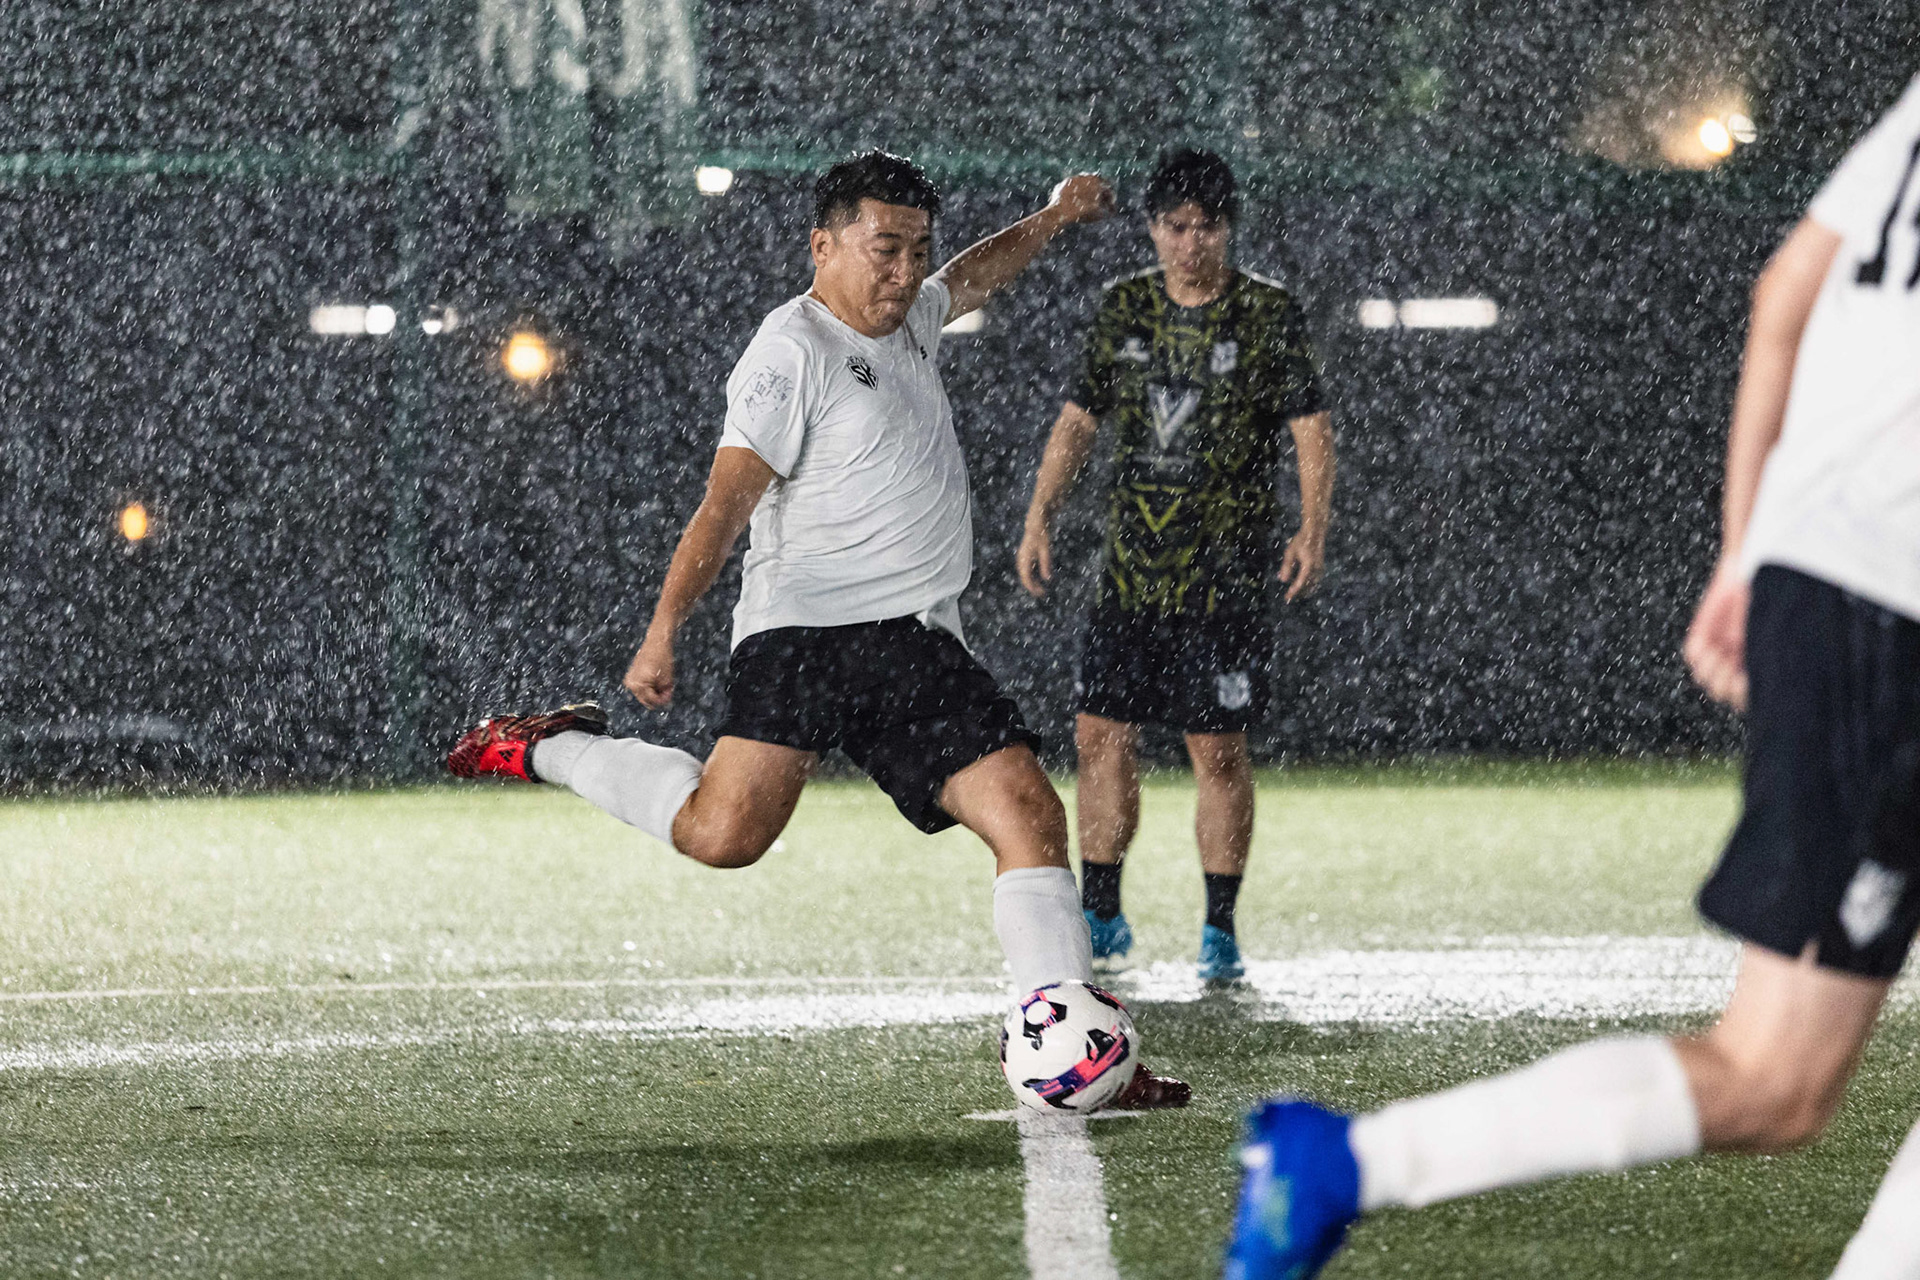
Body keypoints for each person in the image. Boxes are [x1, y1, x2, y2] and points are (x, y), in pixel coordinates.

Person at [1223, 74, 1920, 1279]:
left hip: (1840, 581)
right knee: (1772, 1075)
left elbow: (1785, 293)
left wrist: (1751, 555)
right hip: (1891, 608)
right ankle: (1348, 1164)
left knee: (1779, 1078)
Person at [447, 149, 1190, 1109]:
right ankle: (557, 746)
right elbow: (724, 506)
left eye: (915, 250)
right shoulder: (789, 352)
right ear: (823, 244)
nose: (905, 272)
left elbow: (975, 270)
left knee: (1030, 817)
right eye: (885, 249)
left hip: (916, 644)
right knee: (722, 836)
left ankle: (1081, 1055)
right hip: (803, 639)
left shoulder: (915, 313)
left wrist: (1050, 217)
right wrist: (665, 626)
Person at [1015, 148, 1334, 982]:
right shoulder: (1123, 309)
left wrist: (1312, 528)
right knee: (1099, 737)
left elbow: (1310, 427)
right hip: (1131, 574)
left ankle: (1219, 932)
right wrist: (1040, 512)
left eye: (1208, 227)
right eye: (1176, 227)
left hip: (1223, 578)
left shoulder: (1267, 314)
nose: (1192, 243)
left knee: (1217, 751)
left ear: (1229, 230)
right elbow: (1080, 420)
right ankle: (1103, 914)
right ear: (1154, 229)